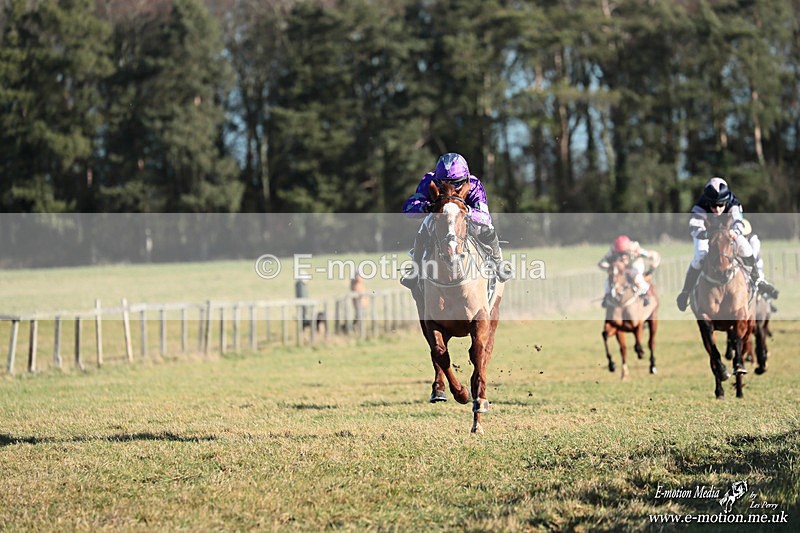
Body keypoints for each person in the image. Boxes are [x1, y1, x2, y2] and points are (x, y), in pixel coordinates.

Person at [400, 153, 511, 290]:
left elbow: (485, 216)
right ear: (437, 179)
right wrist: (428, 207)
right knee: (424, 228)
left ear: (465, 179)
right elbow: (408, 209)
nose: (450, 188)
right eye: (444, 183)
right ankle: (415, 271)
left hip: (466, 216)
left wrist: (465, 211)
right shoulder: (429, 180)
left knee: (487, 228)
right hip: (439, 215)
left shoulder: (474, 184)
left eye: (456, 183)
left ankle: (498, 262)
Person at [676, 177, 778, 312]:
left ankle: (758, 280)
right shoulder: (700, 206)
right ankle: (685, 292)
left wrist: (735, 232)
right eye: (713, 206)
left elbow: (739, 222)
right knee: (699, 257)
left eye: (720, 205)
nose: (717, 209)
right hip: (706, 234)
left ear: (727, 201)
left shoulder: (734, 204)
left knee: (746, 248)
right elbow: (695, 229)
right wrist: (708, 234)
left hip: (729, 232)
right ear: (707, 202)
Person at [598, 235, 661, 307]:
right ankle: (607, 295)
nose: (622, 256)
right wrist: (609, 266)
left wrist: (652, 268)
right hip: (620, 268)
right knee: (610, 280)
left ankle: (645, 294)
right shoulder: (612, 251)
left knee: (637, 278)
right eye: (619, 254)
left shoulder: (636, 249)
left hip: (635, 265)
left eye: (624, 253)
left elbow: (653, 255)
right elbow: (602, 263)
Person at [741, 218, 779, 312]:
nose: (743, 239)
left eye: (745, 236)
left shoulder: (754, 240)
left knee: (759, 281)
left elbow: (752, 256)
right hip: (741, 266)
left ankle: (768, 302)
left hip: (755, 267)